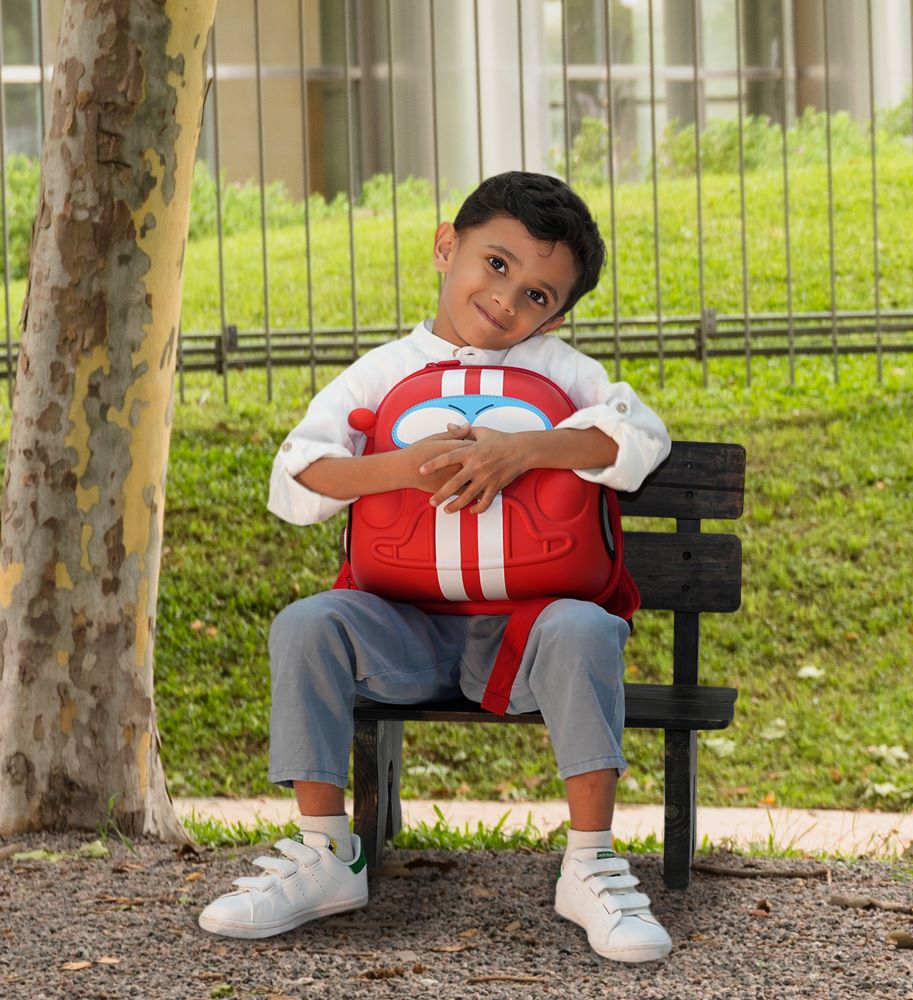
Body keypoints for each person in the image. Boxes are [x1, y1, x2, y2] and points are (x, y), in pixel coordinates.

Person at [198, 171, 673, 963]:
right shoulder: (381, 372)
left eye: (538, 296)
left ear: (558, 314)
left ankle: (590, 864)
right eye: (496, 264)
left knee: (589, 628)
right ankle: (325, 854)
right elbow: (298, 477)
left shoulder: (564, 373)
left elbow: (637, 439)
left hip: (528, 636)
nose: (509, 301)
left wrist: (521, 450)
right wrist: (400, 468)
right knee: (307, 623)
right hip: (401, 630)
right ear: (446, 245)